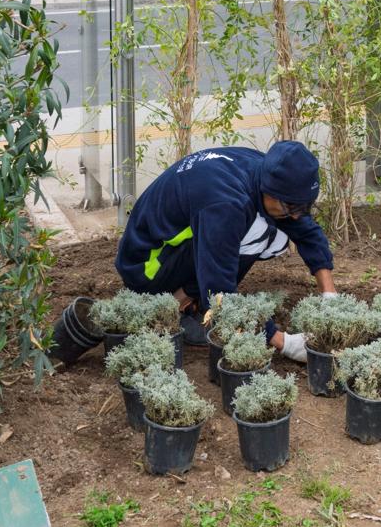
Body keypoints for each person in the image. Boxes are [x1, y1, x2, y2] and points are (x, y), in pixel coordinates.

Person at [114, 141, 337, 362]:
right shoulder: (225, 204)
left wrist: (330, 297)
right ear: (270, 191)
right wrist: (283, 342)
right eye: (291, 207)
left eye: (303, 206)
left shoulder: (264, 170)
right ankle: (174, 305)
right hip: (146, 268)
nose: (296, 215)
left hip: (176, 246)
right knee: (258, 232)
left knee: (276, 232)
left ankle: (189, 292)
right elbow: (219, 288)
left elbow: (306, 230)